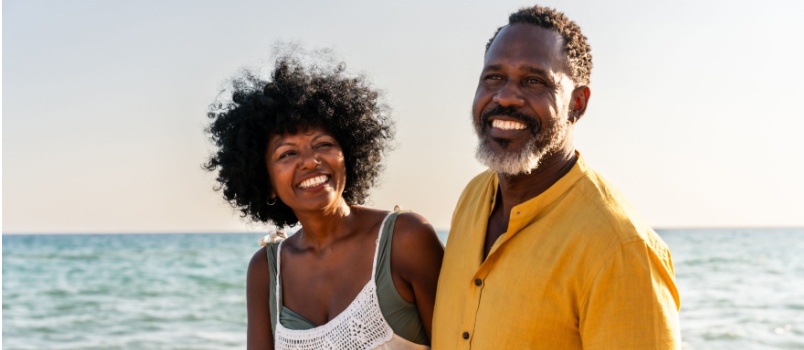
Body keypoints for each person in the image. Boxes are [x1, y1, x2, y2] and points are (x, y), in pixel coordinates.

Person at [432, 5, 680, 349]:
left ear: (577, 103)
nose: (505, 96)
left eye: (533, 81)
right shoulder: (474, 197)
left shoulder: (621, 249)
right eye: (493, 77)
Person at [205, 55, 444, 350]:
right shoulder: (266, 271)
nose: (310, 161)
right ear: (265, 181)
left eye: (324, 144)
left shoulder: (406, 239)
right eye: (287, 154)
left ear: (349, 154)